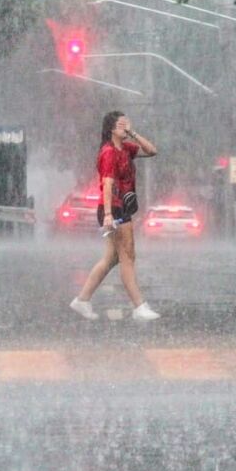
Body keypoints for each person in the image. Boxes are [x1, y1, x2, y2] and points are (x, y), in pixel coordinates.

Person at [70, 111, 161, 321]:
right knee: (128, 256)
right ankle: (140, 307)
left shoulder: (126, 149)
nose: (126, 127)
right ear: (111, 128)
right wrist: (109, 214)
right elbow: (108, 184)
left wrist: (133, 133)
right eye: (121, 124)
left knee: (111, 259)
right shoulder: (109, 152)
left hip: (122, 208)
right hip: (115, 209)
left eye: (127, 123)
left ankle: (82, 301)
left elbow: (152, 151)